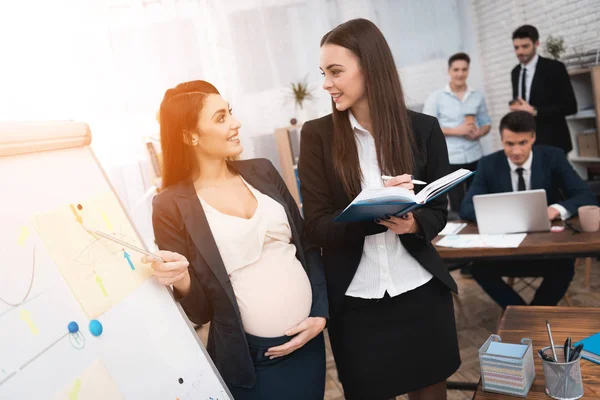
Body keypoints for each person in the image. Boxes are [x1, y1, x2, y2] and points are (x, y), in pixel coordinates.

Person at [298, 19, 460, 400]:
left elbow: (440, 212)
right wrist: (375, 207)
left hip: (421, 295)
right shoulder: (317, 136)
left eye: (335, 72)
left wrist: (413, 222)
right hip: (357, 307)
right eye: (323, 73)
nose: (326, 84)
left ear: (370, 67)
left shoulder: (424, 129)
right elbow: (316, 227)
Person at [142, 80, 328, 400]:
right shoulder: (170, 205)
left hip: (309, 344)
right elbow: (200, 312)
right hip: (254, 363)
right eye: (220, 118)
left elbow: (308, 247)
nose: (235, 123)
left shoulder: (263, 171)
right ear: (190, 136)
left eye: (230, 112)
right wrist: (181, 279)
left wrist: (320, 315)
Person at [461, 111, 598, 308]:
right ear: (501, 140)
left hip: (546, 249)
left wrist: (557, 209)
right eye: (510, 144)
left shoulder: (554, 157)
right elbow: (466, 207)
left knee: (565, 267)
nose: (516, 151)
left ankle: (530, 315)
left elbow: (585, 196)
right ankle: (522, 313)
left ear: (533, 137)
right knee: (479, 269)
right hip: (505, 251)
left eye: (522, 143)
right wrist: (505, 215)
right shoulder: (488, 164)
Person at [423, 52, 491, 213]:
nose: (460, 74)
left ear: (468, 71)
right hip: (451, 159)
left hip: (475, 156)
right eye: (456, 70)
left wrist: (479, 133)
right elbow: (427, 128)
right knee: (458, 205)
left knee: (479, 200)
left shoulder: (477, 96)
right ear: (449, 71)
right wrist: (457, 131)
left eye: (464, 69)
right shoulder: (436, 97)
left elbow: (486, 123)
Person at [509, 25, 577, 153]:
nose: (520, 52)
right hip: (526, 145)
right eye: (516, 47)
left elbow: (571, 107)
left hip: (554, 142)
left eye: (525, 46)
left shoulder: (555, 68)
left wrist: (535, 111)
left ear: (536, 43)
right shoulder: (515, 72)